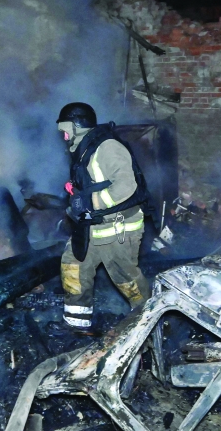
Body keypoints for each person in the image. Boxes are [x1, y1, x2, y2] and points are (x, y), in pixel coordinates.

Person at [56, 102, 150, 332]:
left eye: (65, 129)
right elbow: (95, 182)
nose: (63, 134)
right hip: (90, 226)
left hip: (118, 229)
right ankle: (77, 326)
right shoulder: (84, 149)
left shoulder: (107, 147)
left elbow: (126, 185)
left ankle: (148, 322)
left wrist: (91, 202)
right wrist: (78, 192)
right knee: (73, 267)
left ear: (76, 125)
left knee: (126, 279)